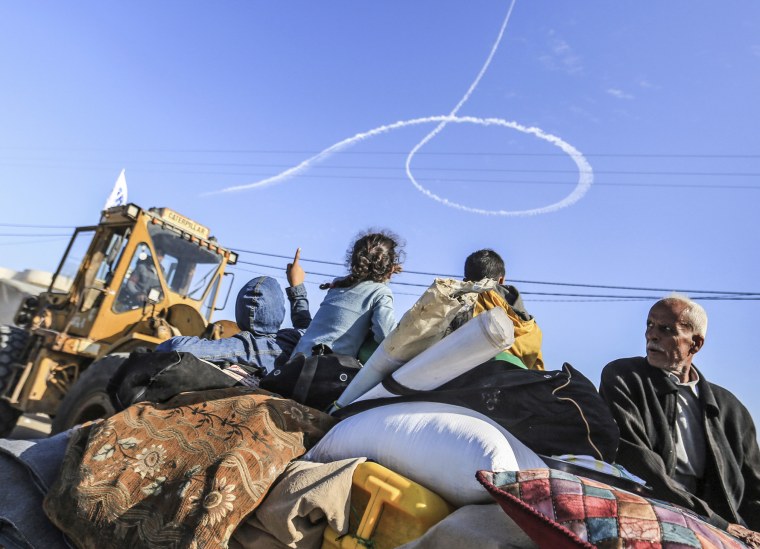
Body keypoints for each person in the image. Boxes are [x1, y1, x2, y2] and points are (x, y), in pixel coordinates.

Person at [600, 295, 760, 543]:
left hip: (721, 525)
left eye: (665, 329)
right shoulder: (623, 377)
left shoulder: (732, 409)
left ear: (695, 344)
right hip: (651, 505)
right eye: (649, 325)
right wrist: (714, 521)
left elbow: (754, 490)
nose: (651, 335)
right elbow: (638, 462)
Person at [155, 249, 311, 377]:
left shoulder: (247, 346)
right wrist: (296, 286)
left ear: (239, 311)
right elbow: (305, 326)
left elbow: (176, 346)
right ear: (280, 311)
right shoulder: (297, 340)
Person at [289, 230, 403, 360]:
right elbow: (386, 334)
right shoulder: (380, 292)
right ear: (390, 267)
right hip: (326, 370)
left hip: (295, 364)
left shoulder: (338, 284)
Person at [452, 248, 544, 370]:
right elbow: (539, 369)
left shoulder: (457, 305)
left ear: (465, 280)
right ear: (501, 280)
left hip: (471, 380)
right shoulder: (532, 328)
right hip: (519, 383)